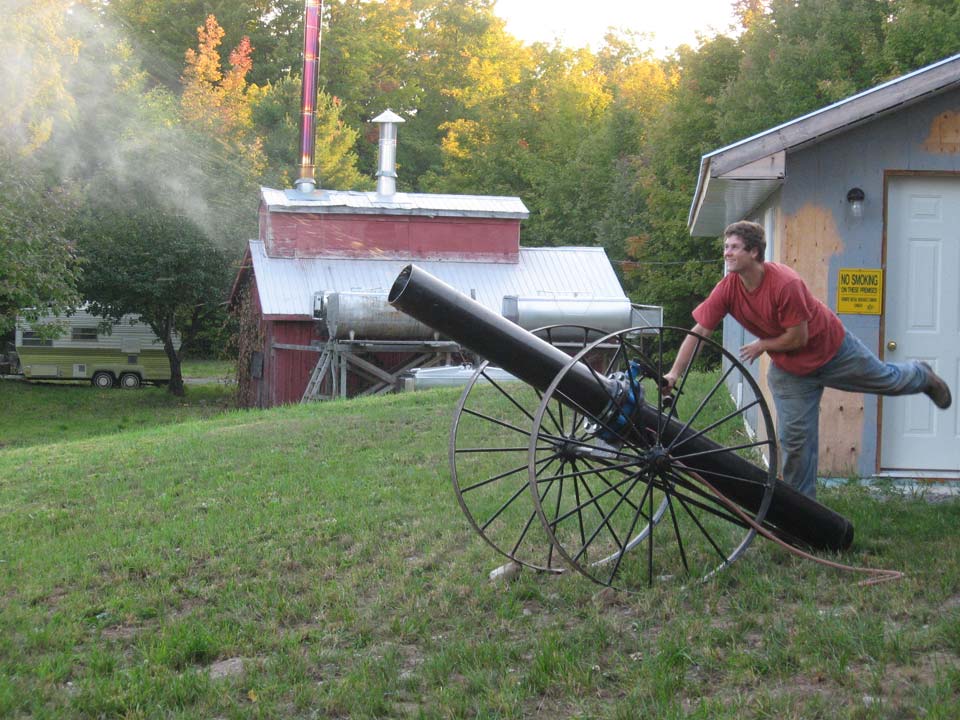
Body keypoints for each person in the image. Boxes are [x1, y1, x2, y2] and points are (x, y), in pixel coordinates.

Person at [663, 220, 952, 499]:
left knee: (888, 380)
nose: (727, 252)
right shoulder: (728, 289)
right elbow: (699, 331)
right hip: (791, 372)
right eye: (726, 247)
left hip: (833, 352)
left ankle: (921, 375)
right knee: (796, 444)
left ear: (753, 252)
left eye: (734, 247)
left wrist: (763, 344)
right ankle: (803, 516)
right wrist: (674, 374)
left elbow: (798, 338)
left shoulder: (785, 283)